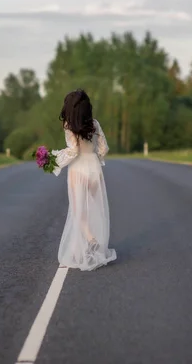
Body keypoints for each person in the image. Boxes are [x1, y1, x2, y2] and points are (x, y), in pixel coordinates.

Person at [51, 89, 117, 271]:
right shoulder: (94, 124)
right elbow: (104, 148)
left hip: (78, 170)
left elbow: (73, 151)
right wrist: (95, 157)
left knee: (78, 210)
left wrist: (54, 159)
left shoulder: (68, 125)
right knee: (93, 208)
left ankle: (90, 239)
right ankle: (80, 248)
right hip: (94, 170)